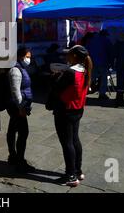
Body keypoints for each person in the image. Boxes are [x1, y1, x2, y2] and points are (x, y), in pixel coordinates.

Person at [47, 45, 92, 187]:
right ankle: (77, 171)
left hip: (65, 110)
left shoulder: (70, 72)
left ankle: (71, 175)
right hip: (77, 109)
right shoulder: (85, 69)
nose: (66, 56)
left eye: (68, 54)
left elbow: (57, 89)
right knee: (74, 140)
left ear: (74, 56)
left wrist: (54, 78)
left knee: (67, 142)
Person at [7, 47, 35, 173]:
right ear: (21, 56)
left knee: (12, 129)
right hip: (17, 107)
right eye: (27, 56)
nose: (29, 59)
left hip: (19, 106)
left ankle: (13, 156)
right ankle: (20, 161)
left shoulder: (21, 68)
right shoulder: (15, 70)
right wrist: (21, 107)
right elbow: (15, 92)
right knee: (23, 132)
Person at [85, 30, 113, 100]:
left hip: (93, 62)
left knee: (91, 78)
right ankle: (102, 94)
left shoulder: (91, 40)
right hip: (103, 62)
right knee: (103, 79)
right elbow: (110, 52)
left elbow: (86, 50)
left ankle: (83, 91)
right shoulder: (106, 40)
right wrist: (111, 62)